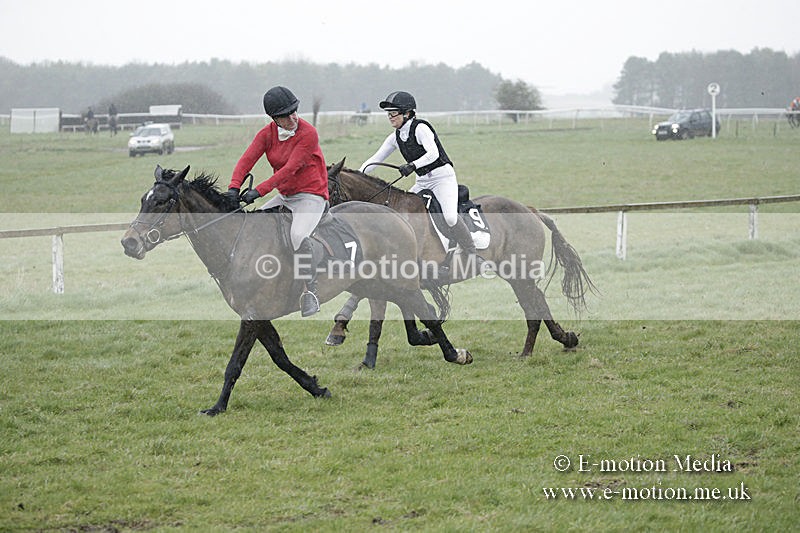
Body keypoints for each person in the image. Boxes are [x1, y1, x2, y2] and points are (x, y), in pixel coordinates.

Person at [225, 86, 329, 316]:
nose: (294, 118)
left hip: (311, 195)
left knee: (297, 236)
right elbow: (246, 160)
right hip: (285, 196)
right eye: (286, 116)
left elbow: (290, 169)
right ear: (274, 119)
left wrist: (258, 191)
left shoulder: (309, 133)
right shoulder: (267, 134)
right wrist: (233, 187)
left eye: (294, 112)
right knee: (252, 228)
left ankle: (310, 292)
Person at [359, 90, 484, 278]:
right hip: (422, 181)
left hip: (442, 178)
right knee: (400, 214)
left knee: (450, 217)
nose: (390, 117)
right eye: (389, 113)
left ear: (407, 113)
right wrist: (357, 174)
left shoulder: (421, 128)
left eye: (394, 113)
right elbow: (375, 160)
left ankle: (472, 254)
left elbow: (433, 154)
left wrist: (412, 165)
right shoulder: (394, 137)